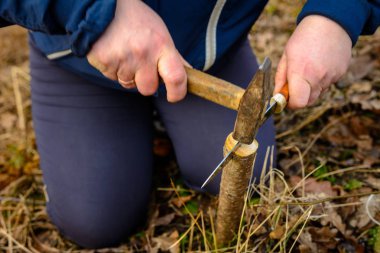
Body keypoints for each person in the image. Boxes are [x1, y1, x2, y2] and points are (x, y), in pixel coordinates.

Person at [1, 0, 379, 248]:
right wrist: (91, 10)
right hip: (79, 50)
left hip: (208, 54)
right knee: (93, 222)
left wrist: (336, 15)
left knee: (251, 173)